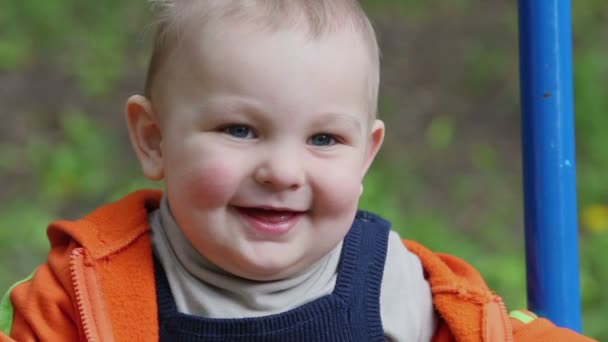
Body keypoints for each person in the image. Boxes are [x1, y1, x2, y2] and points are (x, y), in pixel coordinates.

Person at [0, 1, 597, 341]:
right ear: (154, 139)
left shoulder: (393, 283)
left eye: (324, 138)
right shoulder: (87, 291)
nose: (283, 171)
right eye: (240, 130)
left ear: (366, 155)